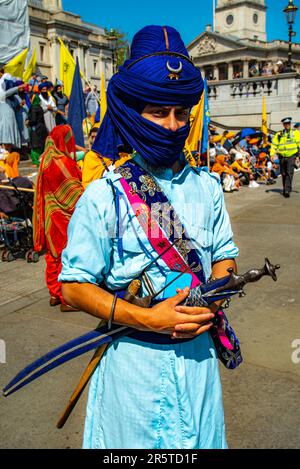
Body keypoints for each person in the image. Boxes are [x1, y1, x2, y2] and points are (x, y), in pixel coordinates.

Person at [59, 25, 239, 450]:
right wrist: (148, 317)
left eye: (180, 113)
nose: (172, 124)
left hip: (199, 364)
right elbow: (73, 287)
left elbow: (225, 257)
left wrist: (216, 289)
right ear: (131, 111)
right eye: (158, 112)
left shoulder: (208, 188)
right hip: (133, 371)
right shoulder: (105, 195)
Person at [33, 125, 83, 312]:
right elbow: (74, 193)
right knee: (66, 255)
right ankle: (66, 299)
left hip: (49, 215)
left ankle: (54, 293)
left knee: (52, 255)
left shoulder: (45, 159)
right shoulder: (63, 162)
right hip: (65, 216)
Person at [270, 117, 300, 197]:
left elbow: (299, 144)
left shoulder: (295, 133)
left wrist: (298, 156)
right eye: (285, 124)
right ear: (283, 125)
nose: (287, 125)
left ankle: (287, 190)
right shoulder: (279, 134)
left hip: (291, 156)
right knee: (283, 173)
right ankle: (285, 188)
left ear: (290, 124)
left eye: (288, 123)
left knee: (289, 172)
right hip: (282, 156)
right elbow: (274, 145)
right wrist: (272, 154)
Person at [0, 69, 26, 148]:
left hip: (12, 120)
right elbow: (6, 93)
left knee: (10, 140)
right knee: (5, 138)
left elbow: (14, 108)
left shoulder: (12, 98)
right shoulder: (2, 94)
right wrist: (18, 87)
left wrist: (19, 105)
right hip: (5, 121)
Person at [26, 95, 48, 166]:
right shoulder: (39, 107)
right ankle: (41, 161)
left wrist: (28, 122)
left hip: (36, 129)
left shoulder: (33, 108)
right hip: (42, 128)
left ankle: (36, 162)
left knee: (35, 146)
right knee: (41, 145)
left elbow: (33, 120)